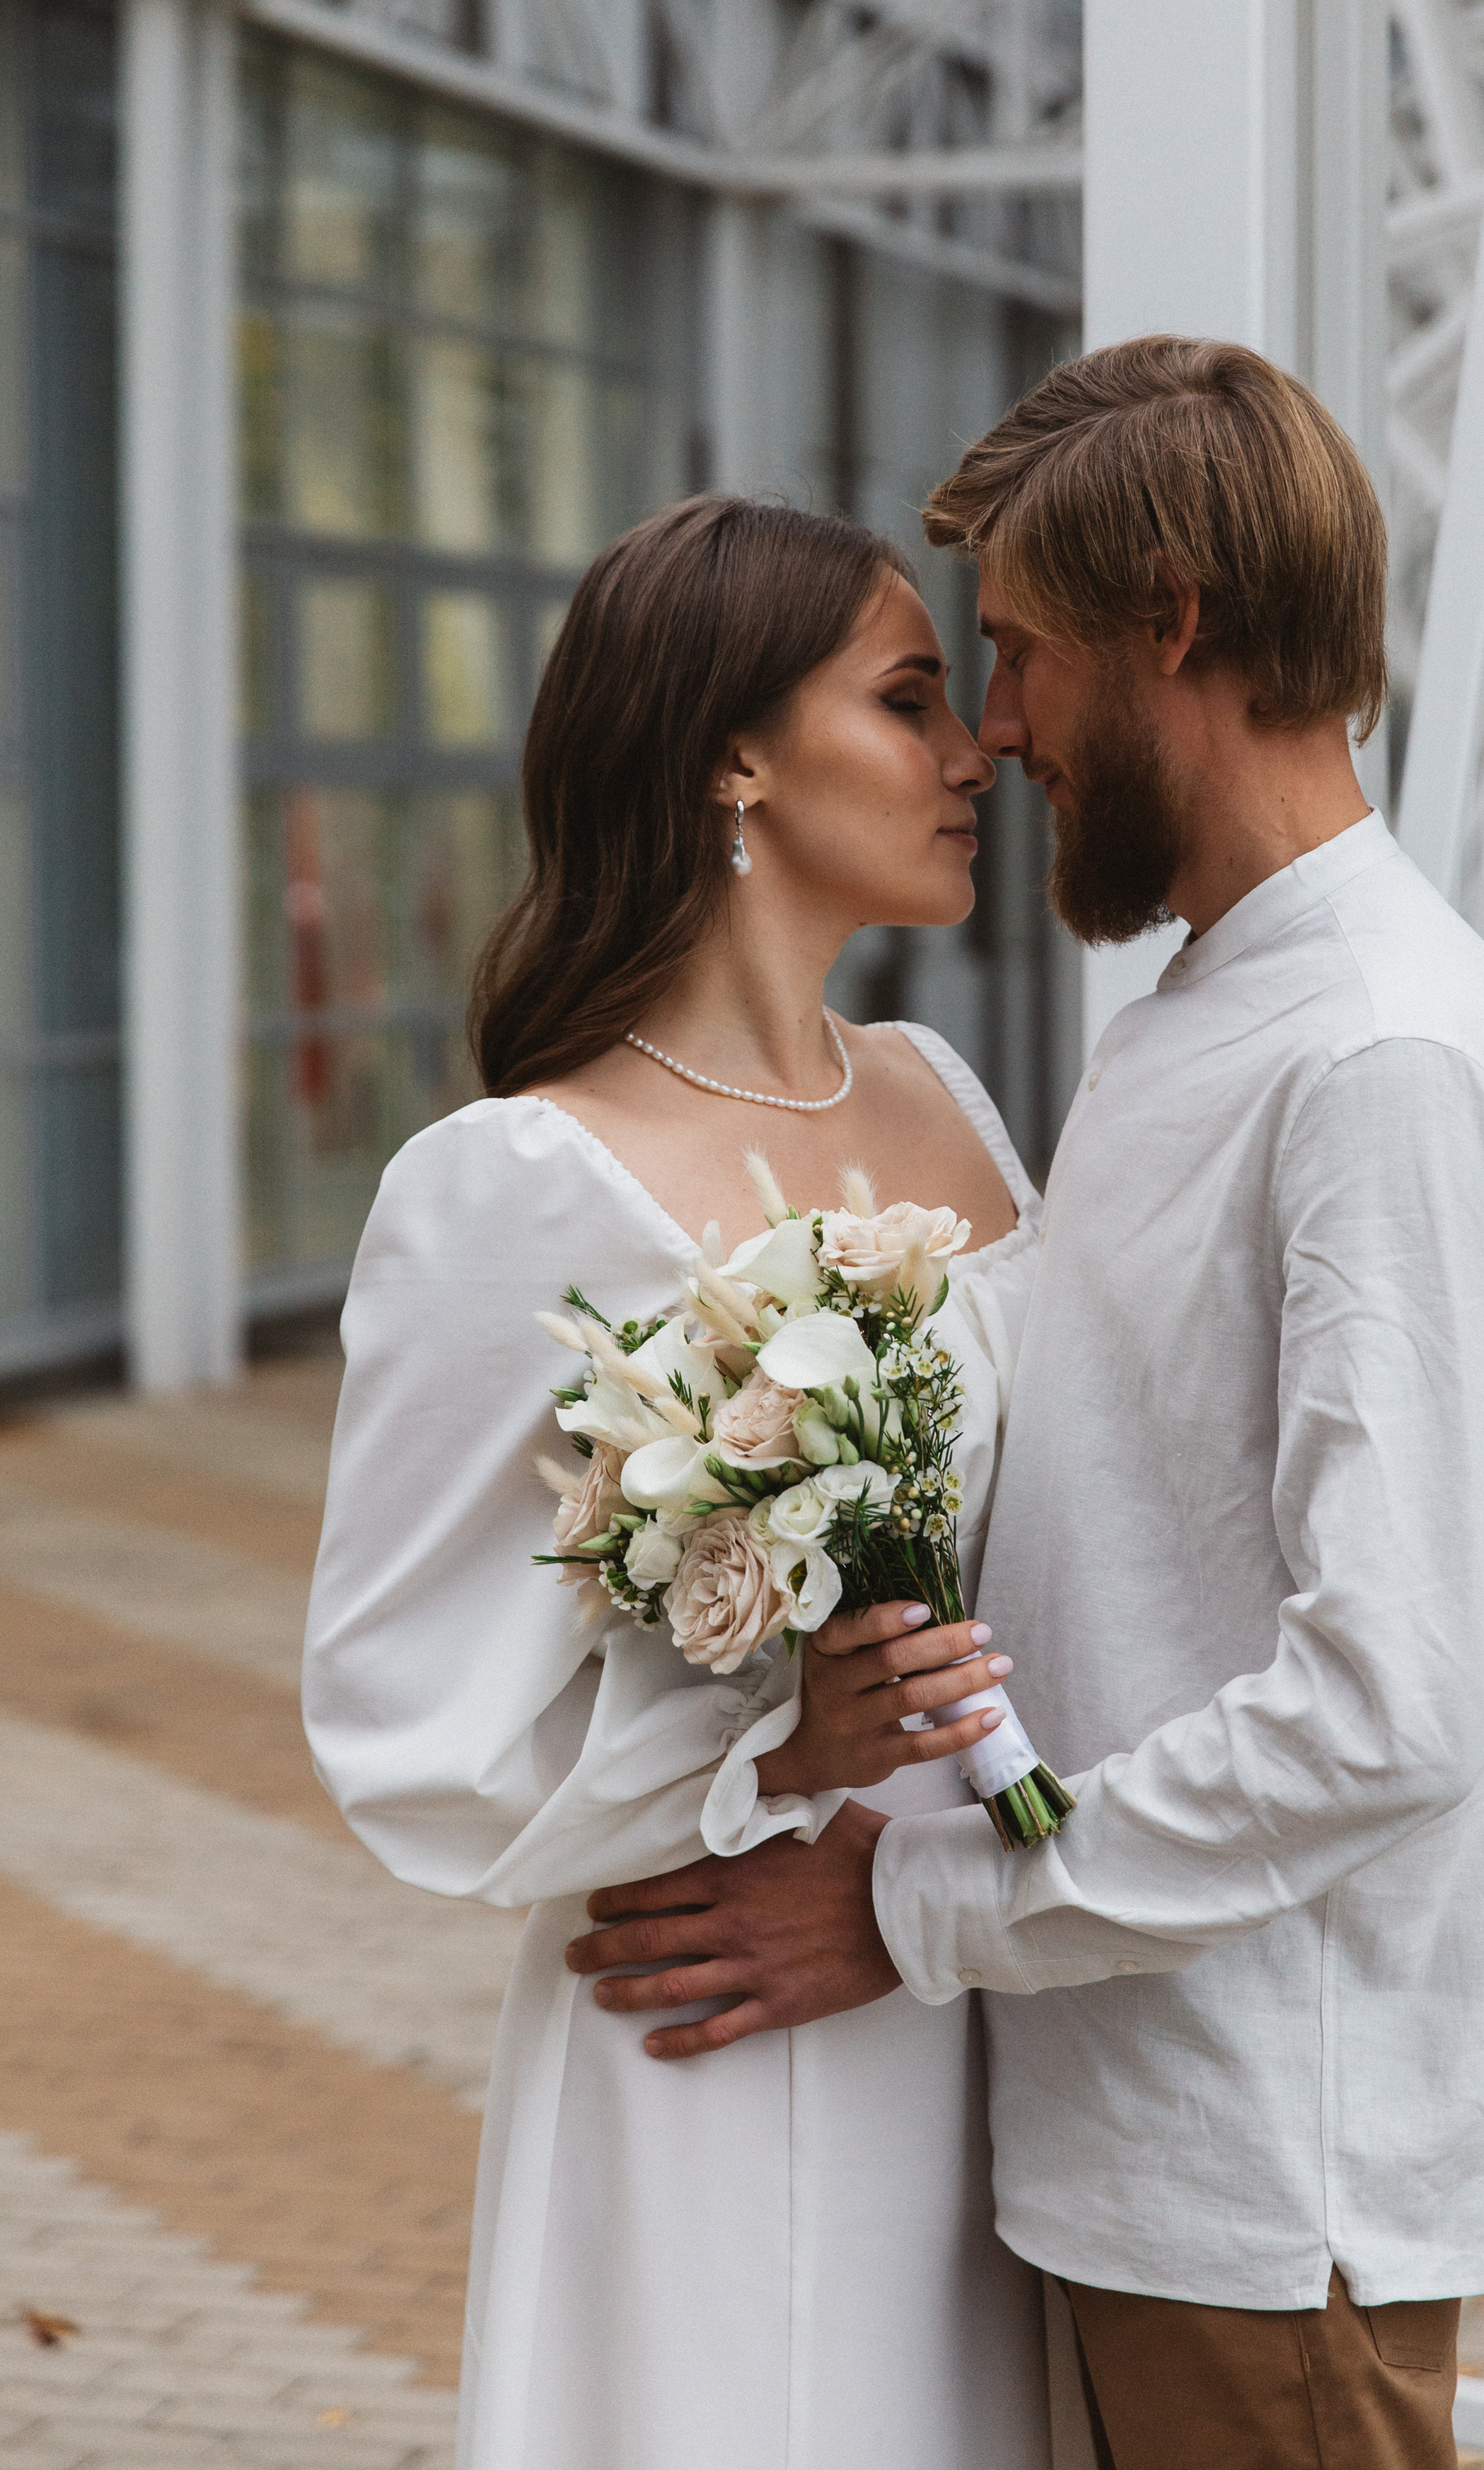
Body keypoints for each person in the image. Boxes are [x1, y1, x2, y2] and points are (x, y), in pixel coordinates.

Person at [569, 340, 1484, 2470]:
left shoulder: (1383, 1059)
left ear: (1176, 627)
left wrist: (902, 1910)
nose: (1000, 724)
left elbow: (1391, 1706)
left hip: (1268, 2179)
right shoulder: (1204, 1015)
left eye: (1017, 655)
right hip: (1138, 2142)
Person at [301, 497, 1068, 2470]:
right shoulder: (512, 1185)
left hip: (987, 1971)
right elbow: (398, 1717)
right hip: (729, 2013)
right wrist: (770, 1746)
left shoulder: (941, 1096)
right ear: (735, 752)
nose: (971, 749)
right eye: (909, 698)